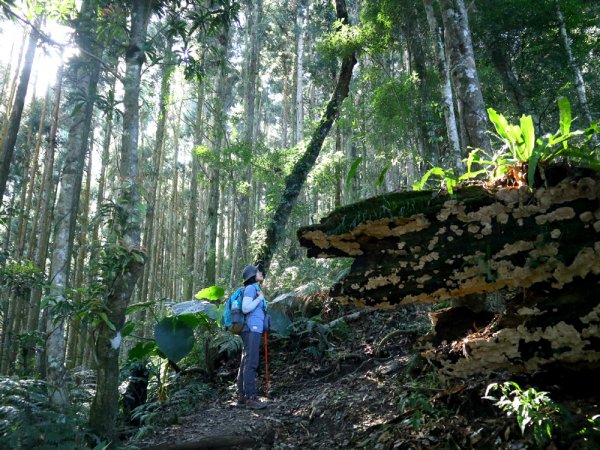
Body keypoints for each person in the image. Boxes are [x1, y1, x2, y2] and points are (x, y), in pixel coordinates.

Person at [237, 264, 268, 409]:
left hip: (250, 329)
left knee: (246, 360)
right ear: (252, 275)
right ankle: (251, 397)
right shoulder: (251, 289)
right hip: (252, 328)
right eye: (258, 271)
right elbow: (245, 307)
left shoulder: (254, 289)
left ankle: (242, 396)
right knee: (251, 362)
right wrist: (260, 299)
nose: (261, 272)